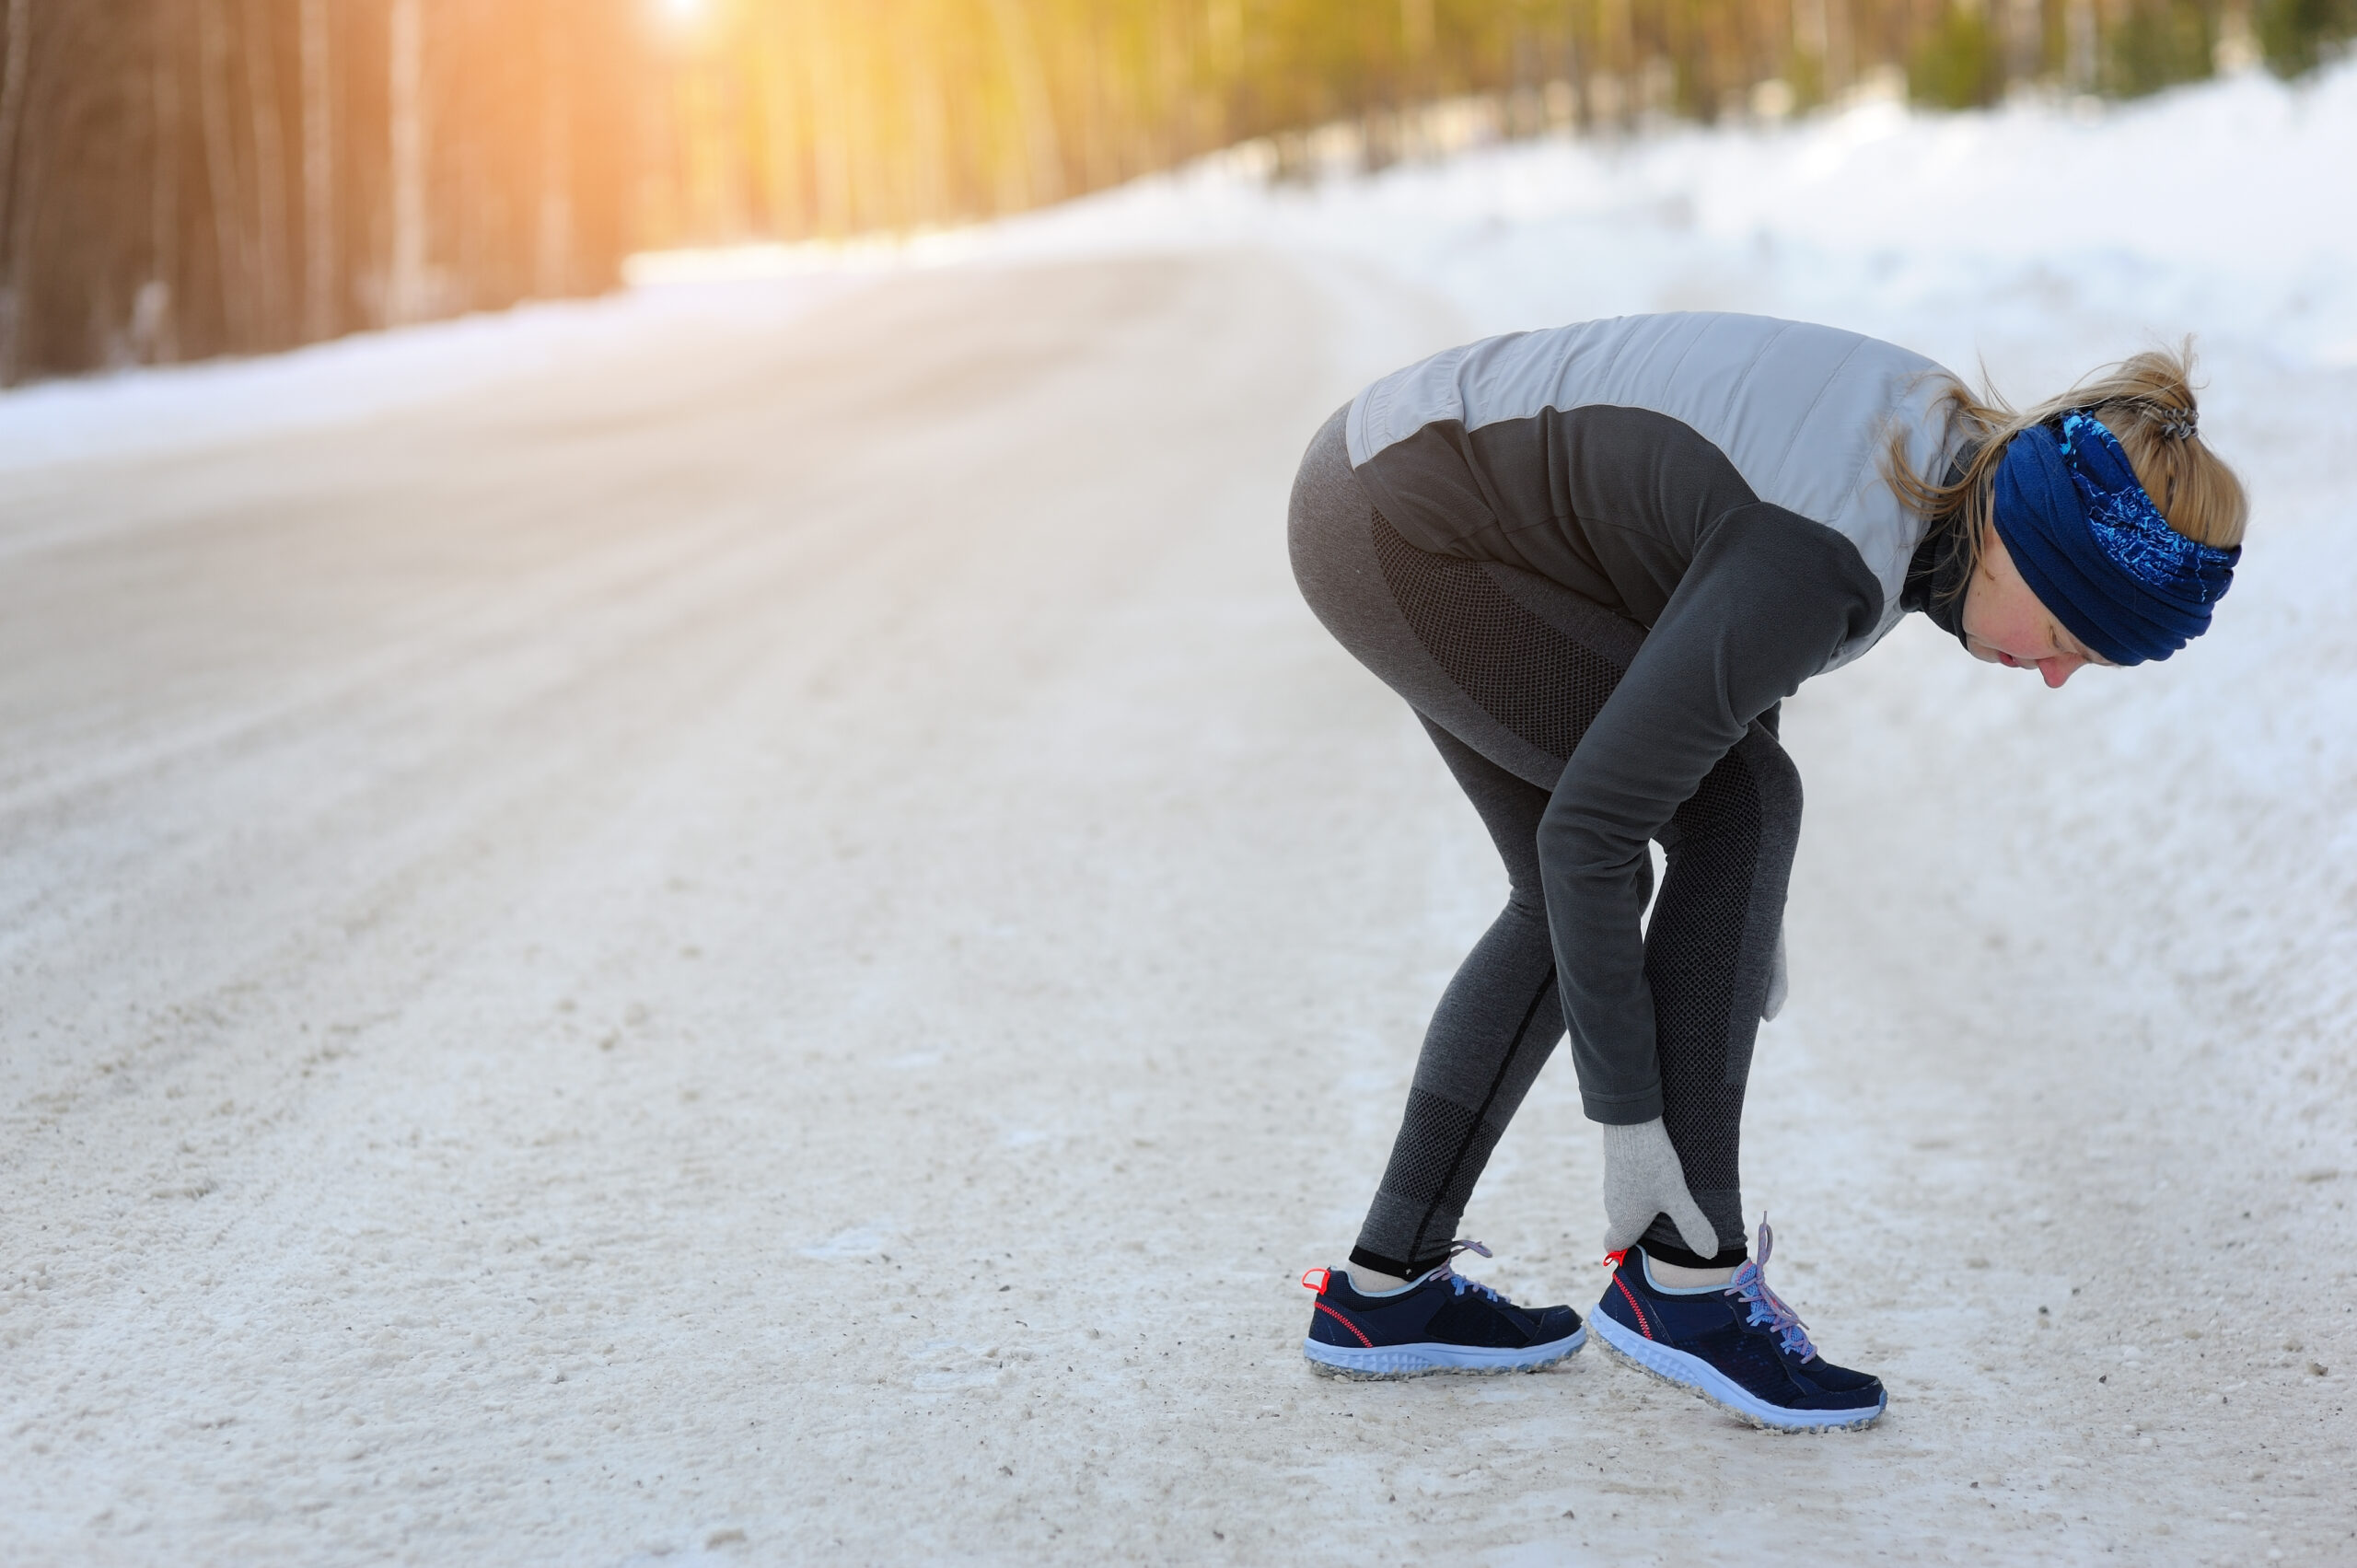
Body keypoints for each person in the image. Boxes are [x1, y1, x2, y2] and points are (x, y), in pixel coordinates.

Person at [1285, 312, 2247, 1431]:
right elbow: (1597, 825)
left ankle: (1382, 1288)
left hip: (1388, 490)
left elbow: (1725, 622)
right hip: (1405, 523)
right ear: (2023, 547)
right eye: (2076, 638)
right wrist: (1632, 1123)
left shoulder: (1935, 460)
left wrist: (1738, 911)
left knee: (1680, 838)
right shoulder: (1839, 544)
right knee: (1730, 809)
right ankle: (1681, 1281)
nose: (2055, 678)